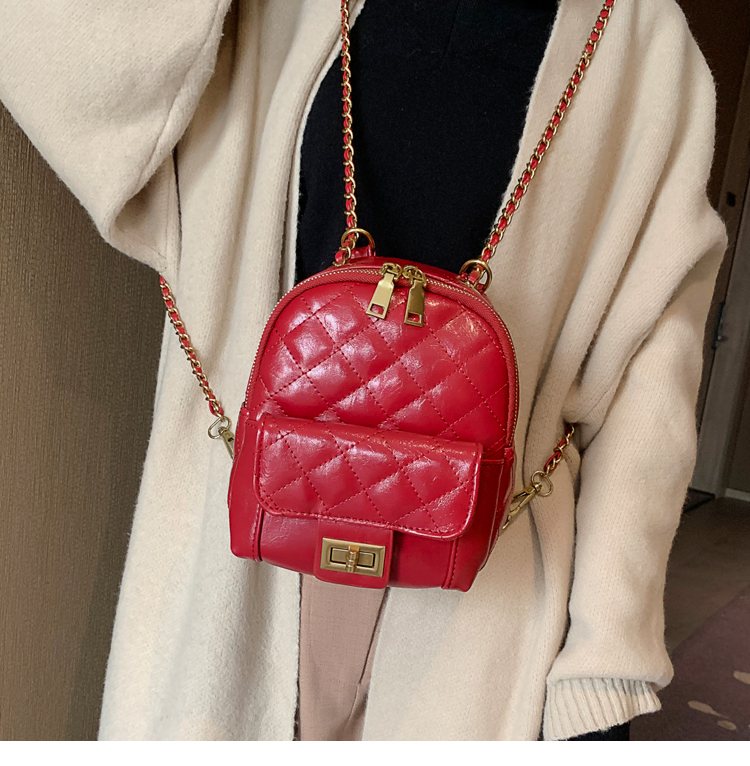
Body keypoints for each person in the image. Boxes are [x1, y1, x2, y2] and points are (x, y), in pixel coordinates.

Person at [0, 0, 727, 741]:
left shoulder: (643, 43)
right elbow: (47, 47)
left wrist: (605, 659)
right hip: (232, 555)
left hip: (488, 588)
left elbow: (648, 398)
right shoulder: (275, 13)